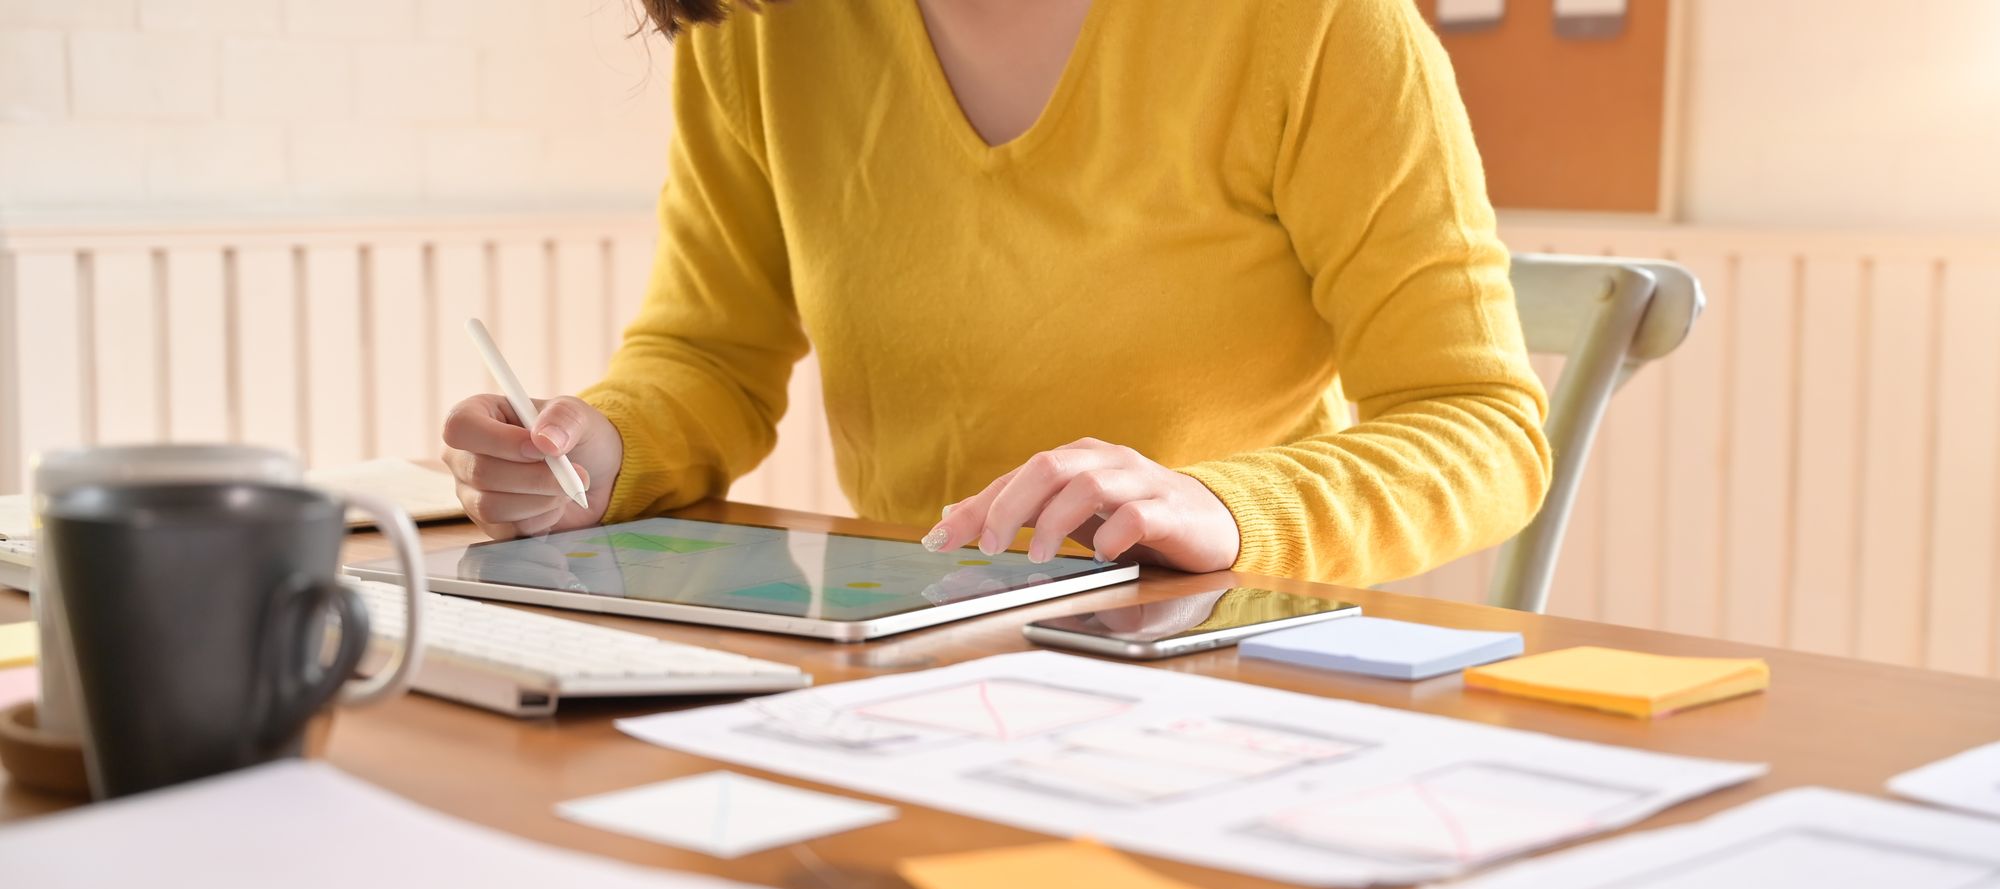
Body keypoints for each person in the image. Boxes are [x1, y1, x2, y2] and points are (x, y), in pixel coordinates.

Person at [441, 0, 1551, 586]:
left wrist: (1217, 507)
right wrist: (597, 455)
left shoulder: (1314, 23)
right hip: (899, 652)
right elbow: (709, 355)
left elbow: (1482, 428)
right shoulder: (760, 24)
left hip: (1215, 662)